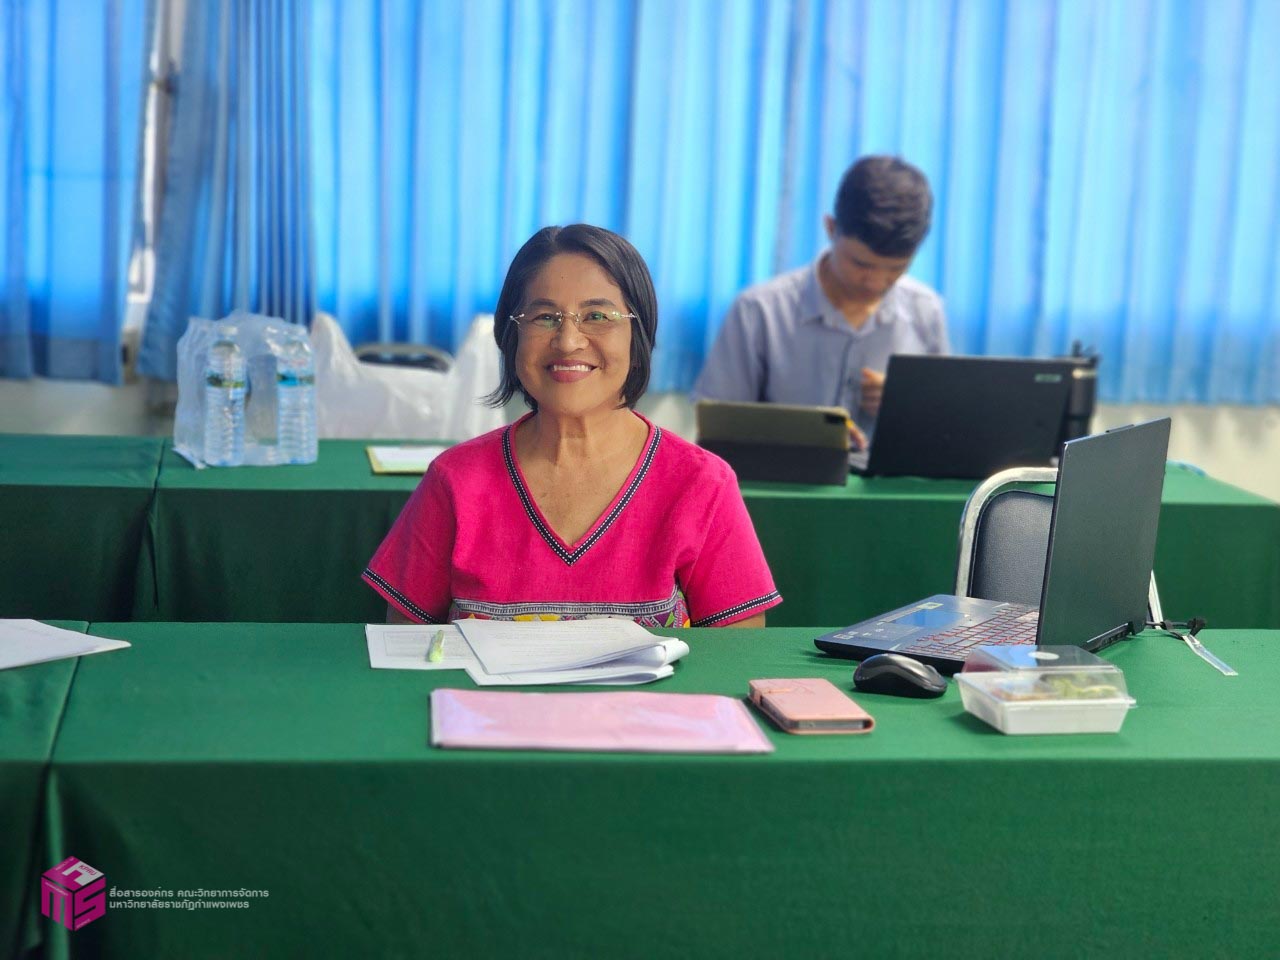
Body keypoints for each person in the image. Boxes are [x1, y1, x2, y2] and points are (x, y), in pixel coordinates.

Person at [364, 224, 781, 629]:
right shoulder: (454, 480)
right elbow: (404, 646)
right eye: (544, 317)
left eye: (597, 315)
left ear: (638, 335)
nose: (568, 341)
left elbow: (735, 657)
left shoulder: (702, 483)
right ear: (511, 336)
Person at [693, 155, 949, 446]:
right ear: (830, 228)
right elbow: (717, 430)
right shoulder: (759, 311)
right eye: (861, 264)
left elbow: (945, 431)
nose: (877, 282)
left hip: (889, 475)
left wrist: (907, 406)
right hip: (783, 473)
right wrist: (807, 432)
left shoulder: (926, 311)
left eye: (896, 268)